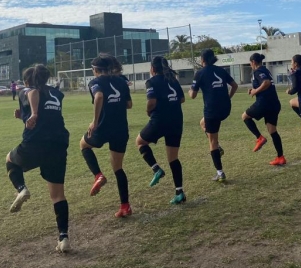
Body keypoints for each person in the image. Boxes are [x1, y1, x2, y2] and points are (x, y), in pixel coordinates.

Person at [5, 64, 71, 253]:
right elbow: (47, 116)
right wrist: (24, 116)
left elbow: (33, 93)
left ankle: (22, 189)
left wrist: (32, 113)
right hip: (58, 145)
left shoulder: (28, 90)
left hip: (35, 144)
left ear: (27, 81)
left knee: (9, 160)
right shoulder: (56, 94)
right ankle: (64, 238)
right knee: (58, 194)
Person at [80, 54, 133, 218]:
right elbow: (129, 105)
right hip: (121, 129)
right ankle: (125, 206)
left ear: (95, 70)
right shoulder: (121, 81)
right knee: (118, 168)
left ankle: (98, 175)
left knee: (83, 145)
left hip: (103, 128)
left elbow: (99, 96)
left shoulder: (95, 82)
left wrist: (94, 121)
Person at [136, 56, 187, 205]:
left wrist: (148, 111)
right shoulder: (173, 80)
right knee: (173, 158)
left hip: (160, 120)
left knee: (140, 141)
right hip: (176, 120)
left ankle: (156, 168)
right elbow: (182, 99)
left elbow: (151, 101)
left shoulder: (151, 81)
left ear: (152, 69)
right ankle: (179, 192)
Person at [189, 49, 238, 182]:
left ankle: (220, 173)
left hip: (212, 111)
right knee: (202, 123)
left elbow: (192, 95)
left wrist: (190, 90)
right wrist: (228, 97)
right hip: (225, 109)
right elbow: (235, 85)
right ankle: (218, 147)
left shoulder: (199, 73)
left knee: (212, 142)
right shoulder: (221, 70)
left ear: (202, 60)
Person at [242, 53, 285, 166]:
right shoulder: (265, 70)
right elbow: (265, 83)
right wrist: (254, 89)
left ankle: (259, 138)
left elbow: (266, 83)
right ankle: (280, 157)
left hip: (265, 103)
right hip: (274, 103)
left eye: (250, 63)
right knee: (272, 131)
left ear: (253, 62)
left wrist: (255, 91)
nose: (250, 65)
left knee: (245, 117)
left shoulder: (258, 71)